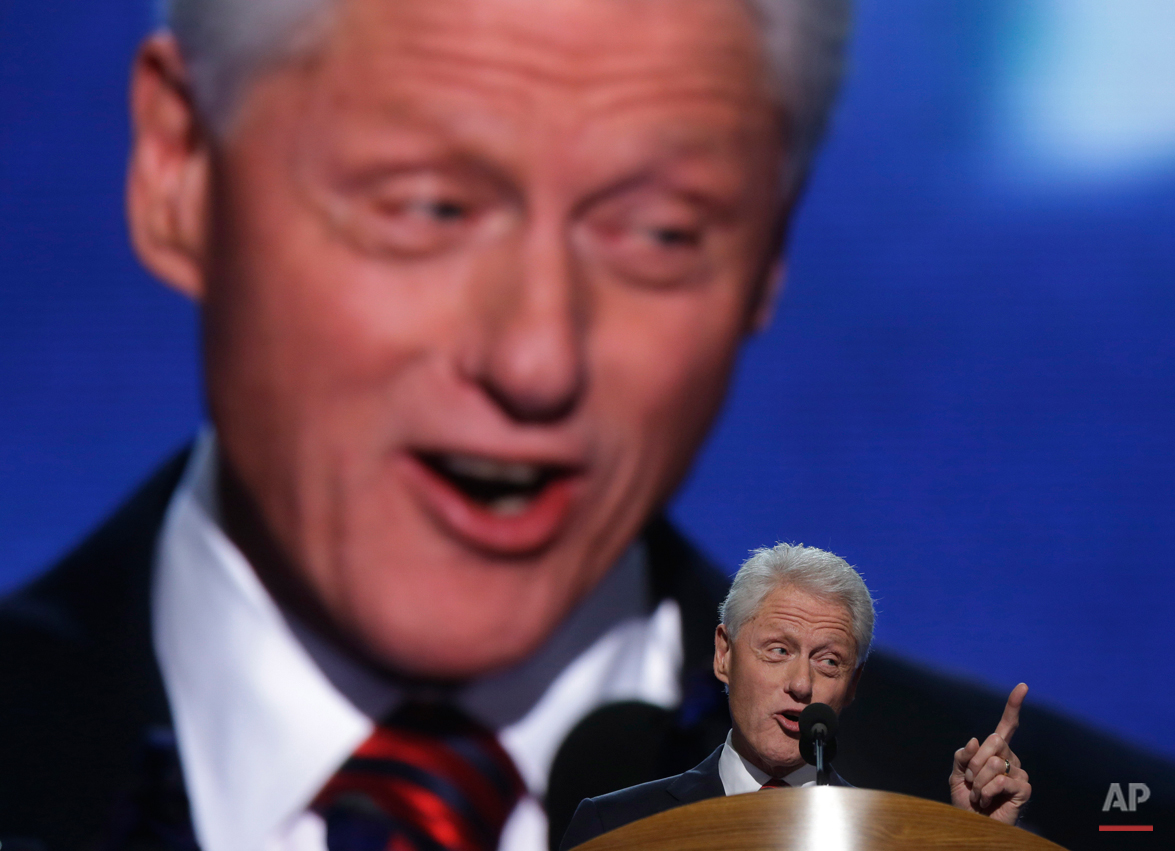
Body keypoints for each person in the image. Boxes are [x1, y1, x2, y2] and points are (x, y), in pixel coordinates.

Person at [0, 1, 1170, 850]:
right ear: (180, 172)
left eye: (657, 233)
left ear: (770, 247)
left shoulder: (1079, 823)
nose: (535, 356)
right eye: (428, 207)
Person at [559, 545, 1032, 849]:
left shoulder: (894, 838)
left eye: (829, 662)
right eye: (778, 650)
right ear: (724, 654)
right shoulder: (615, 828)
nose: (801, 684)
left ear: (853, 688)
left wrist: (978, 839)